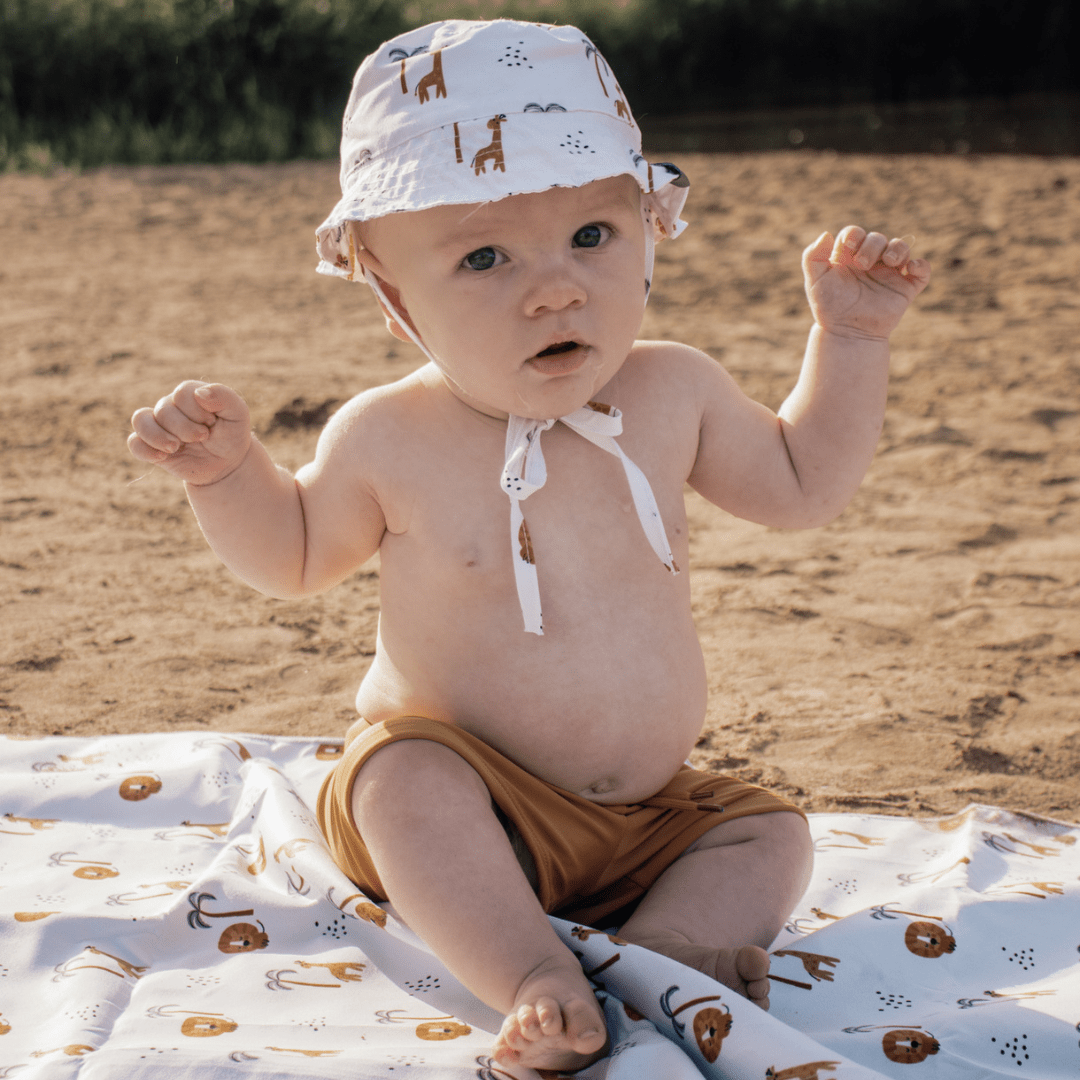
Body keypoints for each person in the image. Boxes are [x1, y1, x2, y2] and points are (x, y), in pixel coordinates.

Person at [128, 19, 931, 1073]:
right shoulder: (388, 435)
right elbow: (293, 555)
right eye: (485, 257)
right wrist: (230, 477)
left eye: (592, 238)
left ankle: (659, 957)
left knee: (770, 834)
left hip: (645, 817)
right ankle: (535, 978)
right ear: (390, 291)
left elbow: (799, 485)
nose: (554, 289)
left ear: (650, 229)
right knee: (398, 784)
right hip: (472, 803)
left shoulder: (673, 388)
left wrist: (852, 342)